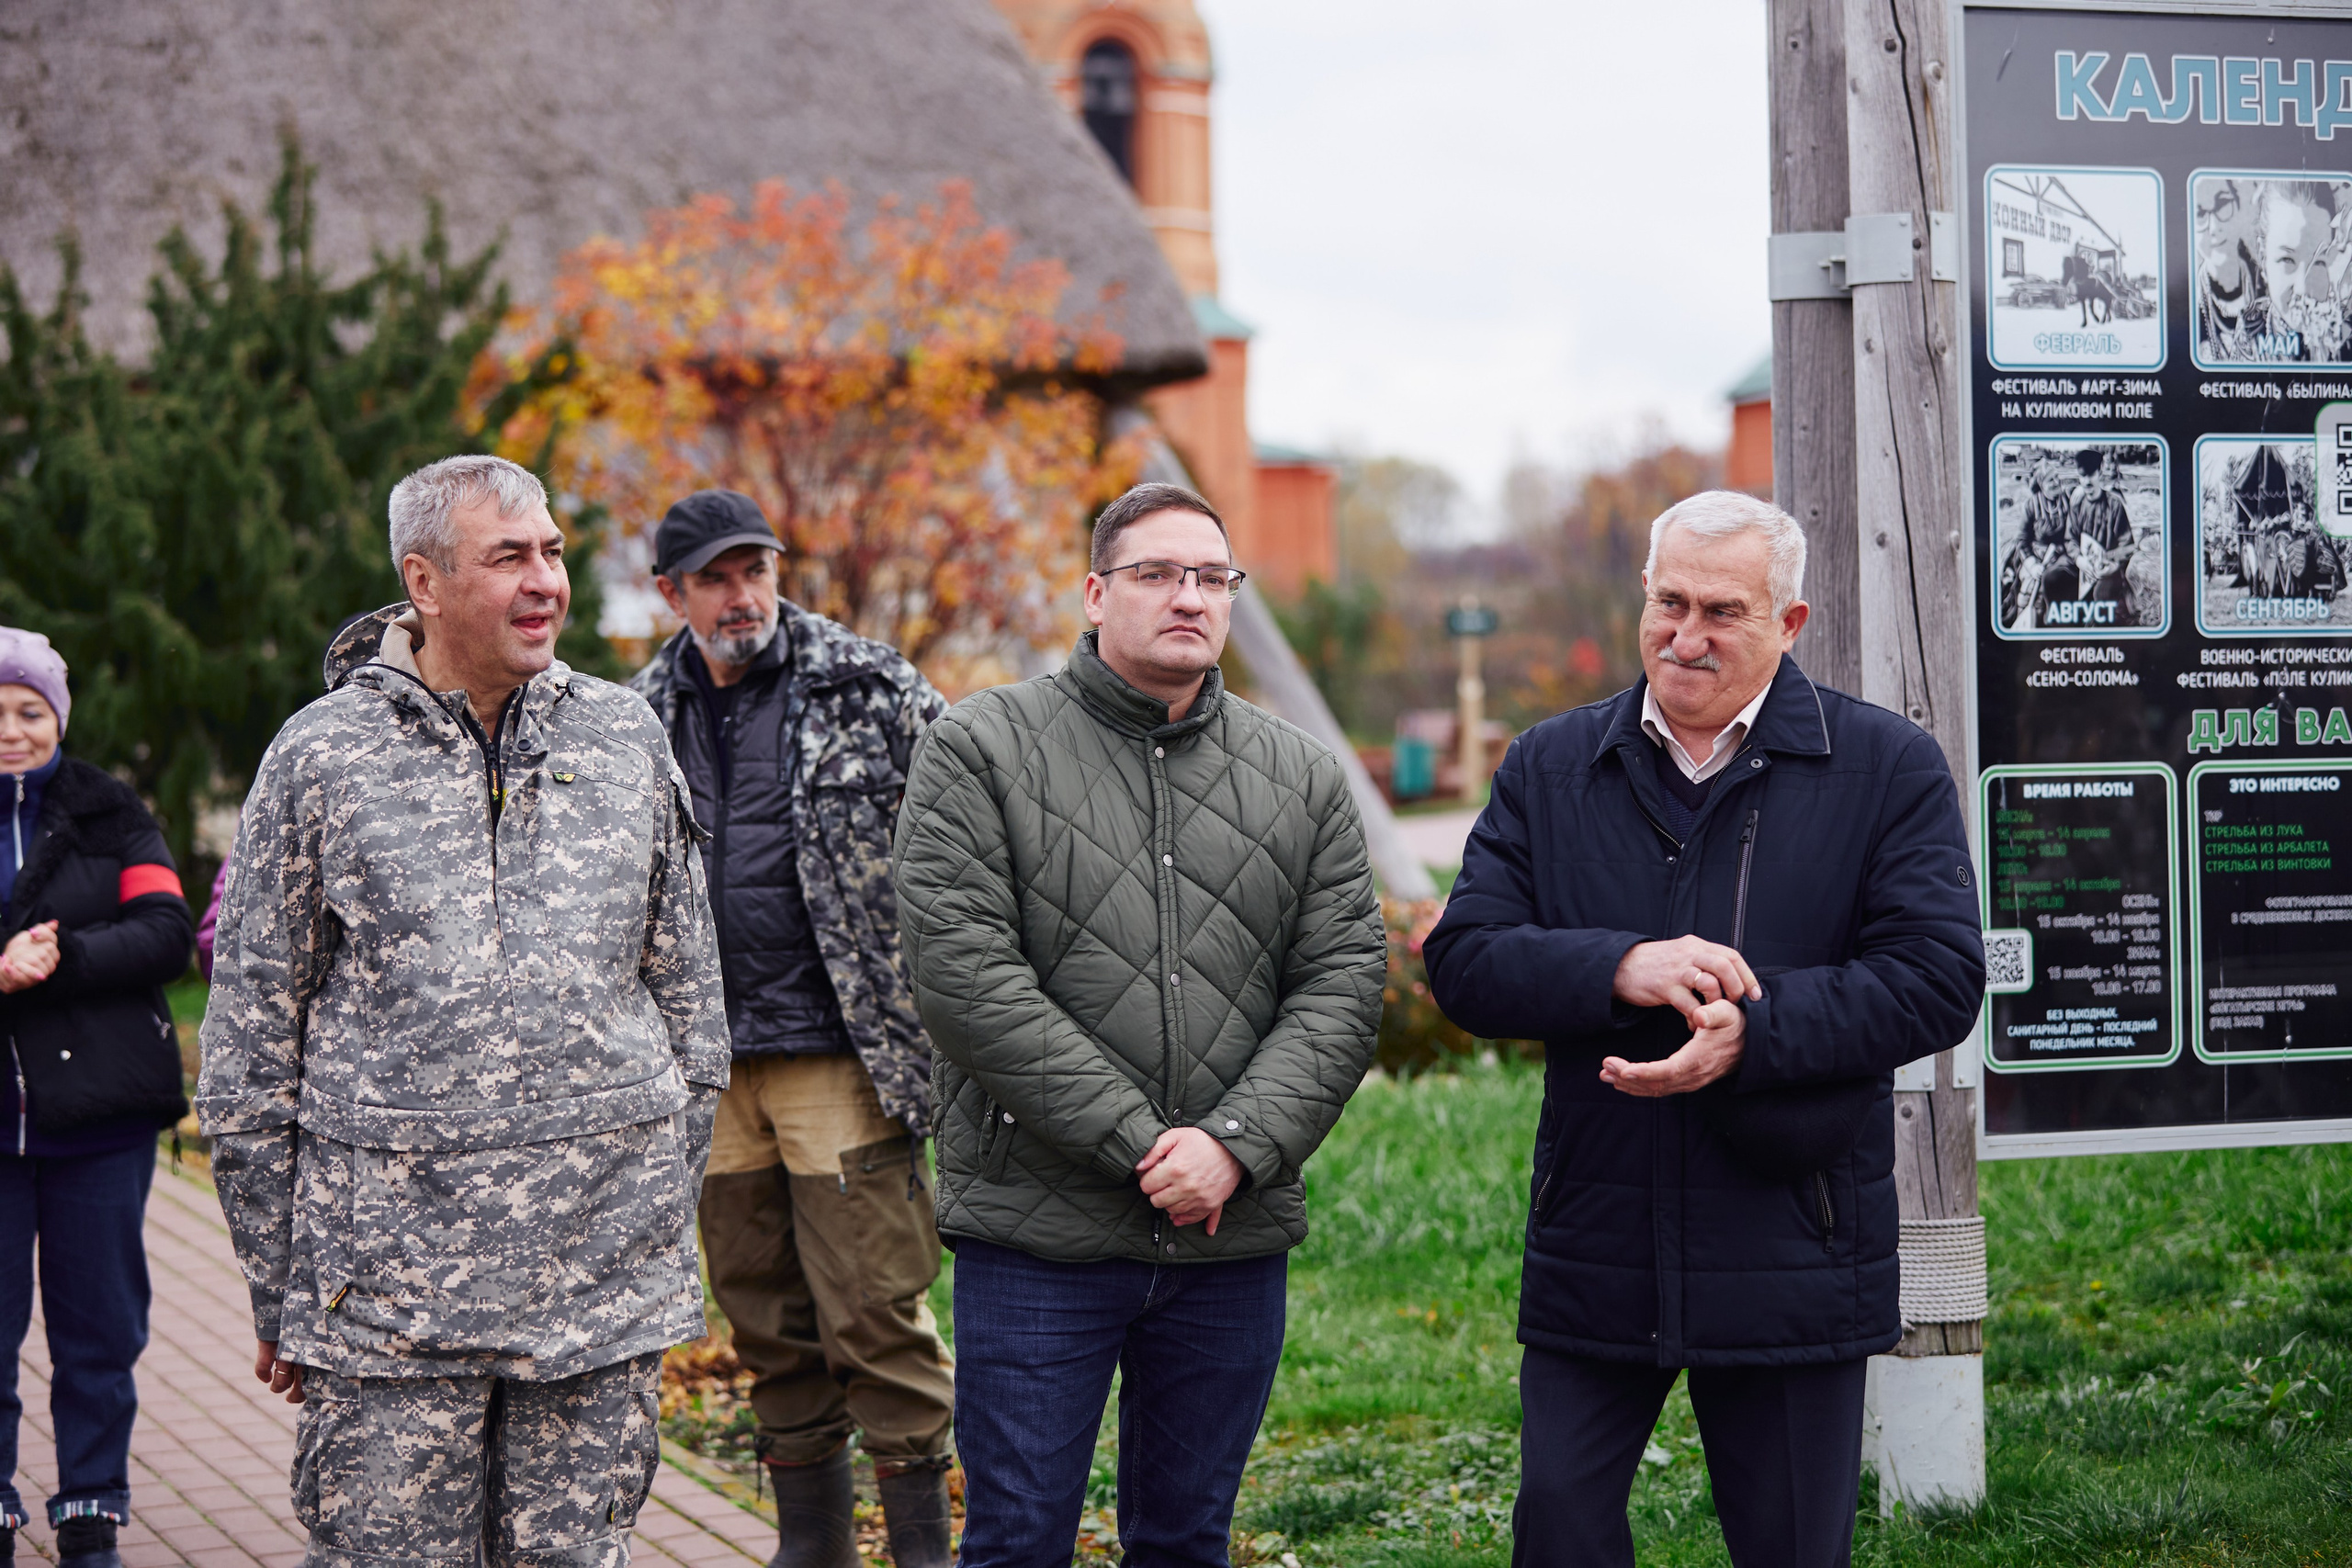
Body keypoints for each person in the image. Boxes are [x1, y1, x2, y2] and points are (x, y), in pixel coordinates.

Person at [1424, 491, 1984, 1568]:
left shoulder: (1884, 768)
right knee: (1559, 1531)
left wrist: (1753, 1035)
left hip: (1795, 1238)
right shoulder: (1549, 765)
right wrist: (1618, 965)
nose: (1685, 636)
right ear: (1643, 595)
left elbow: (1936, 978)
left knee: (1790, 1549)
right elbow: (1465, 961)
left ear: (1790, 622)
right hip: (1599, 1232)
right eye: (1668, 603)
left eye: (1722, 611)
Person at [197, 454, 729, 1567]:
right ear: (423, 582)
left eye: (553, 553)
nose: (546, 581)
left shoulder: (624, 738)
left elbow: (690, 1009)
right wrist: (284, 1285)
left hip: (597, 1291)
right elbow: (249, 1049)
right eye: (508, 557)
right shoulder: (321, 756)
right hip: (391, 1304)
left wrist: (643, 1220)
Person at [891, 480, 1385, 1566]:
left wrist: (1234, 1148)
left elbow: (1344, 982)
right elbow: (967, 981)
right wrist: (1146, 1147)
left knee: (1187, 1542)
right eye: (1157, 573)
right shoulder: (979, 748)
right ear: (1094, 593)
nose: (1189, 597)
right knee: (1018, 1542)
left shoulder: (1300, 774)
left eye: (1212, 577)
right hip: (1038, 1236)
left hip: (1226, 1238)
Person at [628, 491, 955, 1568]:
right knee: (764, 1316)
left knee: (873, 1310)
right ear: (671, 594)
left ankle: (922, 1551)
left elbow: (969, 838)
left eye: (755, 570)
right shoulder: (632, 719)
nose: (742, 596)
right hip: (707, 1066)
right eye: (714, 579)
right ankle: (813, 1548)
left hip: (839, 1053)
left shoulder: (870, 686)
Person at [0, 629, 192, 1568]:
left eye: (29, 710)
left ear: (59, 718)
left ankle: (90, 1506)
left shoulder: (109, 810)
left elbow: (167, 930)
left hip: (100, 1122)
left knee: (99, 1332)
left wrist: (64, 956)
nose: (11, 729)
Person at [2068, 447, 2140, 626]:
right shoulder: (2077, 505)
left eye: (2091, 475)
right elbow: (2070, 539)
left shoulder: (2114, 505)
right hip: (2084, 569)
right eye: (2082, 476)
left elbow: (2128, 546)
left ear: (2100, 472)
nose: (2087, 481)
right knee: (2054, 578)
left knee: (2101, 593)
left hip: (2108, 570)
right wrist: (2079, 559)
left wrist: (2111, 563)